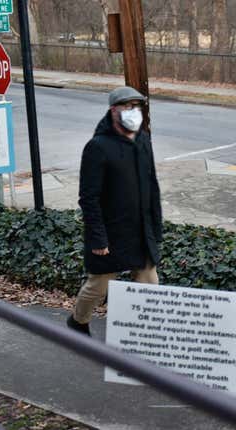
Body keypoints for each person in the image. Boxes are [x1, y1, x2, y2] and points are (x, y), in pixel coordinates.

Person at [67, 86, 163, 336]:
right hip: (110, 233)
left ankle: (145, 337)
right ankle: (78, 321)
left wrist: (155, 226)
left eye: (137, 106)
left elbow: (152, 185)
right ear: (113, 111)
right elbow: (88, 198)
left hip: (140, 230)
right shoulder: (97, 147)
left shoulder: (143, 140)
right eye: (128, 107)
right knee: (99, 285)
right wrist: (98, 238)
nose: (134, 112)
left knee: (150, 286)